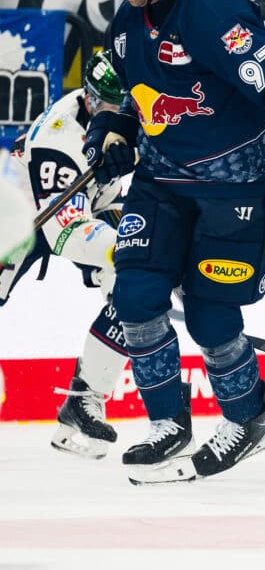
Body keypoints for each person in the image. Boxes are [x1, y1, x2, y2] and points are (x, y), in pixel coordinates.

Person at [89, 0, 265, 482]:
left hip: (234, 187)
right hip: (159, 183)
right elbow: (120, 89)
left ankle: (248, 421)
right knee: (136, 297)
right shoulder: (126, 21)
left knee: (211, 316)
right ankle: (169, 422)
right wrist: (114, 129)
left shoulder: (218, 15)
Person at [0, 53, 129, 459]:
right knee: (126, 258)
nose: (121, 113)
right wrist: (122, 247)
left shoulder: (124, 114)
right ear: (90, 100)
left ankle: (83, 399)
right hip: (21, 218)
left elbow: (103, 201)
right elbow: (64, 230)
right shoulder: (59, 139)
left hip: (77, 208)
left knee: (129, 285)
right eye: (111, 105)